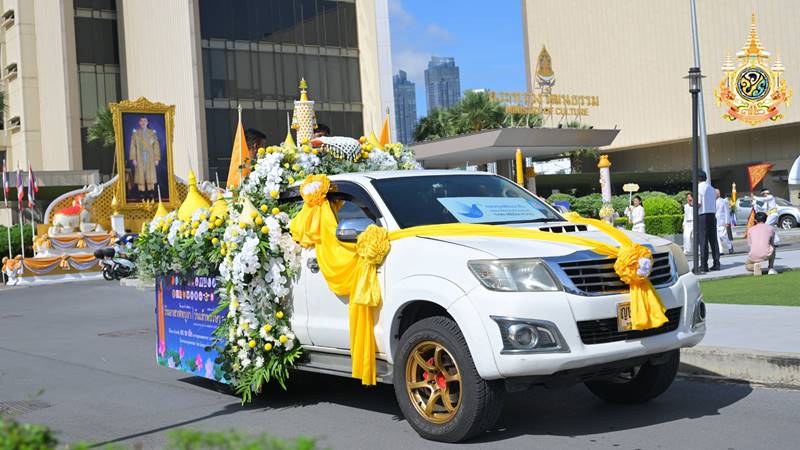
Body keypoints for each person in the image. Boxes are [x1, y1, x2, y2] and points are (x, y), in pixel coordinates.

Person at [129, 116, 161, 194]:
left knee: (150, 173)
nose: (143, 123)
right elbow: (133, 146)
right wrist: (134, 158)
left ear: (147, 122)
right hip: (139, 156)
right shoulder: (136, 133)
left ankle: (151, 192)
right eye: (141, 121)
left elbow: (156, 146)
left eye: (145, 121)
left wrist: (156, 158)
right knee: (140, 174)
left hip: (150, 156)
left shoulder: (152, 133)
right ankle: (142, 192)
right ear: (139, 123)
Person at [697, 171, 720, 272]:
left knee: (703, 241)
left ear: (697, 178)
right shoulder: (711, 188)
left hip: (703, 214)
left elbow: (698, 203)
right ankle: (716, 263)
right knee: (713, 240)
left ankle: (704, 265)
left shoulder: (699, 188)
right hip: (712, 214)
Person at [715, 189, 733, 255]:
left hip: (722, 221)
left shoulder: (723, 201)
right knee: (717, 237)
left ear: (718, 194)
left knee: (723, 235)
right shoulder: (712, 201)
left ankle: (730, 246)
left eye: (715, 193)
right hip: (715, 221)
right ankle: (720, 250)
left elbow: (727, 212)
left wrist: (727, 222)